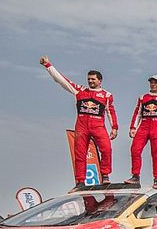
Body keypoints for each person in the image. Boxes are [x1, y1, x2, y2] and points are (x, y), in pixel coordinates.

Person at [40, 56, 118, 189]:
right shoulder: (79, 90)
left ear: (100, 81)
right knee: (80, 154)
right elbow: (62, 80)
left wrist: (114, 127)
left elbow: (111, 111)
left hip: (98, 125)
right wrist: (48, 66)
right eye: (89, 79)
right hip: (82, 125)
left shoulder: (106, 95)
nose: (90, 81)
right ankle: (80, 181)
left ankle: (105, 175)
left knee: (106, 149)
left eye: (93, 79)